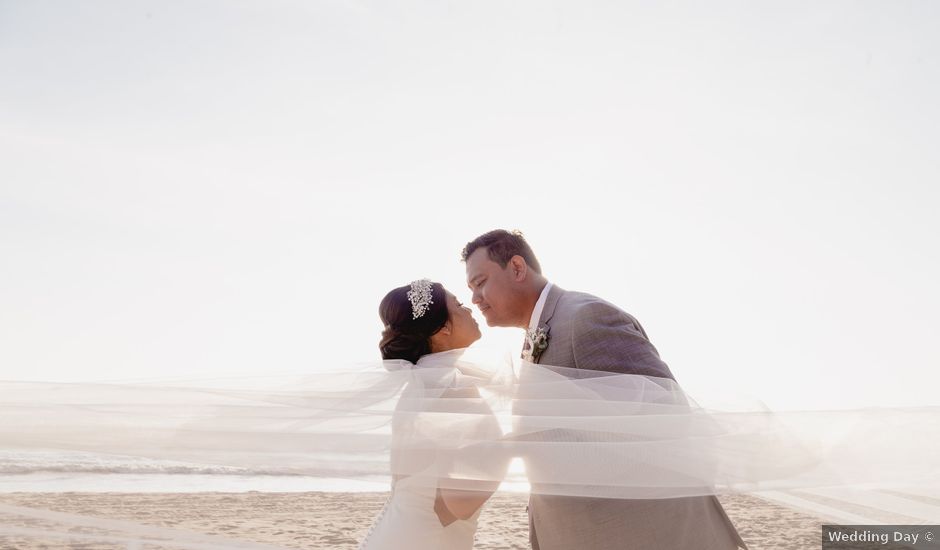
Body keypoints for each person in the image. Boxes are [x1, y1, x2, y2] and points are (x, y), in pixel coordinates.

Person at [462, 229, 748, 550]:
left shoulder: (585, 318)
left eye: (480, 282)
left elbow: (668, 417)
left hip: (639, 534)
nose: (475, 298)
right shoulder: (541, 331)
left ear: (516, 267)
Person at [358, 279, 504, 550]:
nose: (469, 309)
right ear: (443, 329)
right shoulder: (450, 388)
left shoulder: (425, 384)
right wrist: (518, 447)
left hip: (401, 533)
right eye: (459, 305)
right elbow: (455, 505)